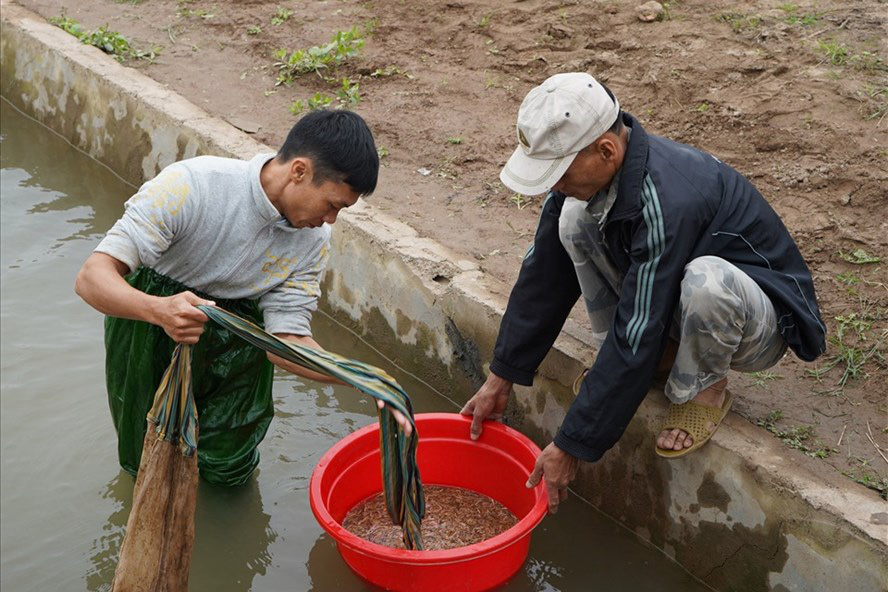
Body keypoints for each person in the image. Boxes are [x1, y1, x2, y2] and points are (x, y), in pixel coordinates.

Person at [460, 72, 826, 513]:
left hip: (754, 318)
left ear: (607, 150)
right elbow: (543, 277)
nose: (553, 185)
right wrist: (502, 375)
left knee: (706, 280)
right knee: (572, 221)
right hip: (674, 298)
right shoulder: (587, 179)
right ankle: (658, 360)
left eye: (557, 172)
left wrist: (572, 443)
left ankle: (705, 387)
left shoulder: (668, 201)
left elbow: (637, 328)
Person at [76, 109, 407, 487]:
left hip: (240, 336)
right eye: (332, 205)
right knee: (149, 453)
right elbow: (92, 277)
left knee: (230, 465)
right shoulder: (193, 185)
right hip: (151, 320)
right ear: (299, 171)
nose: (331, 219)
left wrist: (359, 377)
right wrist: (160, 310)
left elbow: (287, 340)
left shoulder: (312, 241)